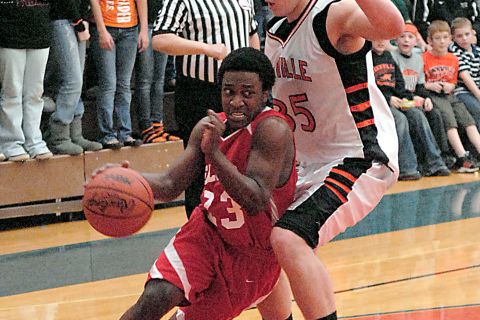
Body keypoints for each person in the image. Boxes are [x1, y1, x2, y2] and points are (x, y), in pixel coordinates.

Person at [111, 48, 296, 320]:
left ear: (265, 94)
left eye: (247, 93)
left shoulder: (273, 130)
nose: (236, 101)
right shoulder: (209, 127)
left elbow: (256, 198)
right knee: (154, 298)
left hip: (250, 257)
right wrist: (127, 180)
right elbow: (170, 183)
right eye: (229, 91)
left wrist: (216, 155)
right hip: (206, 233)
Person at [264, 1, 403, 319]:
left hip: (357, 157)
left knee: (288, 237)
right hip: (304, 163)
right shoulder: (275, 32)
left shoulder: (332, 15)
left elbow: (391, 27)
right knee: (258, 240)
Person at [152, 0, 260, 217]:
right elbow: (160, 39)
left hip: (240, 94)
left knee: (242, 161)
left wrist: (257, 71)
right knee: (198, 168)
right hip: (199, 92)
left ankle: (238, 226)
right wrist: (205, 48)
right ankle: (198, 226)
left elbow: (251, 33)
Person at [372, 39, 449, 179]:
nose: (381, 41)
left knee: (417, 115)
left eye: (384, 38)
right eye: (377, 37)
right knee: (400, 119)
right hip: (378, 103)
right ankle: (407, 168)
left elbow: (400, 84)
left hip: (396, 100)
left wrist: (410, 98)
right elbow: (366, 87)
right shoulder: (366, 59)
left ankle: (435, 163)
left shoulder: (388, 57)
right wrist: (387, 99)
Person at [388, 23, 452, 174]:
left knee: (434, 113)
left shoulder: (418, 59)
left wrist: (426, 98)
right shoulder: (392, 57)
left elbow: (421, 85)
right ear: (395, 40)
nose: (406, 40)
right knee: (417, 115)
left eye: (410, 37)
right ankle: (430, 161)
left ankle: (439, 157)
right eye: (402, 37)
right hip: (400, 98)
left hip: (412, 97)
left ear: (416, 41)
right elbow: (394, 85)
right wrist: (409, 98)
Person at [43, 0, 103, 155]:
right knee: (72, 80)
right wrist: (78, 21)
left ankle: (75, 134)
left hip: (76, 19)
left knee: (78, 81)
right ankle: (59, 137)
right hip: (61, 19)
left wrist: (82, 19)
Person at [89, 0, 148, 148]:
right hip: (106, 26)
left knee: (124, 84)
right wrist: (101, 30)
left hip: (131, 28)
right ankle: (107, 134)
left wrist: (144, 30)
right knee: (108, 83)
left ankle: (125, 132)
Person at [423, 20, 480, 172]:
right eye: (437, 38)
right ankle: (462, 157)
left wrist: (450, 86)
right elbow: (420, 84)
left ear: (450, 39)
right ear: (430, 40)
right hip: (434, 95)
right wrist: (430, 86)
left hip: (450, 94)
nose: (442, 42)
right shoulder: (424, 58)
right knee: (450, 121)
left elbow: (453, 81)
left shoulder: (453, 59)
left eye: (444, 37)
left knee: (468, 121)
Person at [0, 0, 53, 161]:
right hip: (9, 32)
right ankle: (11, 142)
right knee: (12, 90)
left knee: (35, 92)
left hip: (40, 32)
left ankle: (34, 141)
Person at [133, 0, 180, 144]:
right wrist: (142, 28)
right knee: (145, 79)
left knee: (159, 79)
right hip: (144, 24)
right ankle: (146, 127)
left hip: (162, 24)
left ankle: (157, 124)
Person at [449, 17, 480, 130]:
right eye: (459, 36)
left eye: (467, 34)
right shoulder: (454, 51)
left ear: (473, 33)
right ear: (453, 38)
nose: (464, 39)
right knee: (477, 108)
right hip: (462, 91)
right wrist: (478, 95)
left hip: (476, 88)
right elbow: (465, 76)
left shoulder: (477, 50)